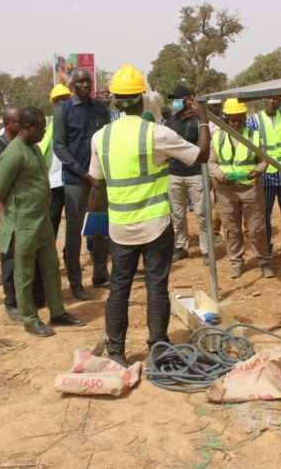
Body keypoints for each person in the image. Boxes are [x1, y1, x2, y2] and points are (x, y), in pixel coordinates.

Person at [87, 64, 210, 366]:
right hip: (156, 225)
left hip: (120, 227)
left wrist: (96, 225)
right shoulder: (156, 133)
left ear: (115, 101)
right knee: (156, 285)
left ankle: (116, 350)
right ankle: (157, 346)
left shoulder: (100, 138)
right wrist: (204, 121)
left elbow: (97, 185)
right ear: (142, 98)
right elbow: (201, 156)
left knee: (119, 287)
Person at [0, 107, 85, 336]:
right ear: (26, 127)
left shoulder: (33, 148)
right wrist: (8, 220)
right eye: (41, 128)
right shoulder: (14, 155)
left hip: (41, 221)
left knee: (51, 268)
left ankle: (57, 312)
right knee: (24, 274)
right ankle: (30, 319)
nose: (45, 132)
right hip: (23, 224)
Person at [0, 106, 45, 322]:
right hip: (8, 212)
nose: (24, 124)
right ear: (9, 124)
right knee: (10, 258)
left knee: (30, 257)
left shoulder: (29, 147)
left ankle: (34, 296)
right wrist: (4, 215)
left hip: (26, 213)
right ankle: (12, 302)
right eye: (19, 121)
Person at [53, 67, 111, 300]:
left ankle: (101, 275)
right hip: (76, 181)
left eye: (88, 81)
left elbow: (107, 140)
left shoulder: (101, 109)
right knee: (75, 233)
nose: (86, 85)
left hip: (99, 180)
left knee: (100, 228)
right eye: (81, 82)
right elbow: (59, 147)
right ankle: (76, 283)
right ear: (72, 86)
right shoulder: (63, 110)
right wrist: (84, 174)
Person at [210, 98, 274, 278]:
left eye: (239, 118)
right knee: (231, 228)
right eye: (233, 119)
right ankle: (236, 262)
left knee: (256, 228)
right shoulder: (217, 137)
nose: (236, 122)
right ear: (226, 118)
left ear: (245, 117)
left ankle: (264, 261)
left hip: (250, 189)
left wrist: (258, 171)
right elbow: (211, 162)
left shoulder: (254, 136)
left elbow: (264, 160)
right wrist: (220, 175)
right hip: (226, 190)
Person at [247, 95, 281, 261]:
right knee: (264, 214)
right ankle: (267, 246)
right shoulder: (254, 121)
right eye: (270, 99)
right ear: (264, 100)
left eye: (276, 99)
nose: (272, 102)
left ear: (280, 101)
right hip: (265, 175)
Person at [166, 84, 209, 264]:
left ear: (188, 99)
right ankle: (181, 247)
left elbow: (204, 147)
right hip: (174, 174)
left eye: (177, 99)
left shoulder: (199, 120)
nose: (174, 103)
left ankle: (206, 249)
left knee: (202, 213)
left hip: (196, 174)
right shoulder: (170, 122)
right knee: (177, 215)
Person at [39, 84, 71, 242]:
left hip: (72, 180)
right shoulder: (47, 123)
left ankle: (68, 254)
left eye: (66, 99)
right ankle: (49, 253)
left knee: (73, 221)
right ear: (53, 102)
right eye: (59, 100)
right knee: (52, 218)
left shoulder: (74, 122)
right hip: (53, 181)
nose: (62, 103)